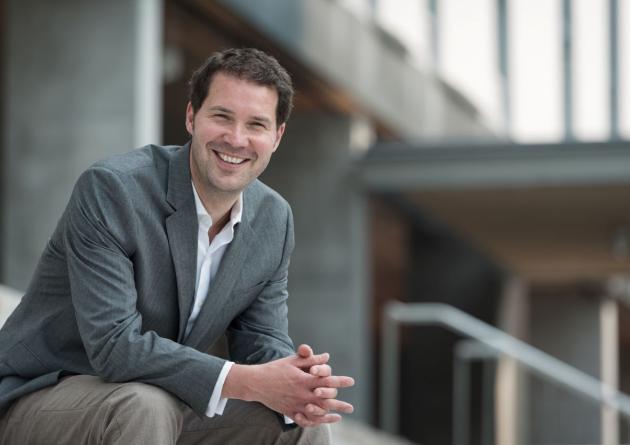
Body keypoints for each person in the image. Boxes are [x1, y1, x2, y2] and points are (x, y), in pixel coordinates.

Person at [0, 47, 354, 444]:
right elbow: (114, 347)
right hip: (44, 394)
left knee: (299, 424)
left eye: (256, 124)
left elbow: (260, 338)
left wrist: (294, 379)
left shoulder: (274, 218)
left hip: (163, 397)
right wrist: (245, 381)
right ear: (191, 117)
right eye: (222, 117)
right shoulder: (113, 190)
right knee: (145, 405)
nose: (237, 139)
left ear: (277, 136)